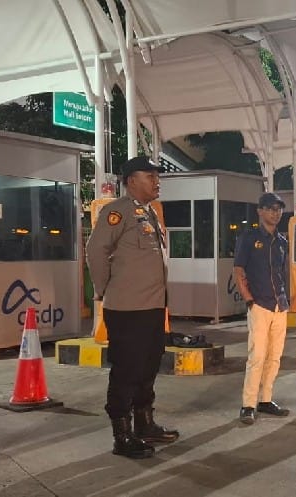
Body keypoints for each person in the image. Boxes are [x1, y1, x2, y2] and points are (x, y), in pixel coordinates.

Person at [87, 156, 179, 459]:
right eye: (150, 176)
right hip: (127, 308)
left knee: (149, 365)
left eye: (157, 176)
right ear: (131, 181)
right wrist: (105, 289)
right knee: (127, 370)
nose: (157, 181)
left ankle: (145, 424)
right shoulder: (117, 212)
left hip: (152, 307)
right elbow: (95, 251)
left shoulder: (150, 213)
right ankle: (122, 434)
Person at [234, 192, 292, 425]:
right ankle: (248, 404)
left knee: (274, 357)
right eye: (270, 209)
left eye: (278, 209)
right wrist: (249, 300)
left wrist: (287, 299)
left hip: (280, 305)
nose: (275, 213)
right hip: (259, 304)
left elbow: (283, 272)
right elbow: (239, 270)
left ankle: (266, 400)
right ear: (260, 211)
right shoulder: (248, 238)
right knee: (257, 356)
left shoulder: (282, 241)